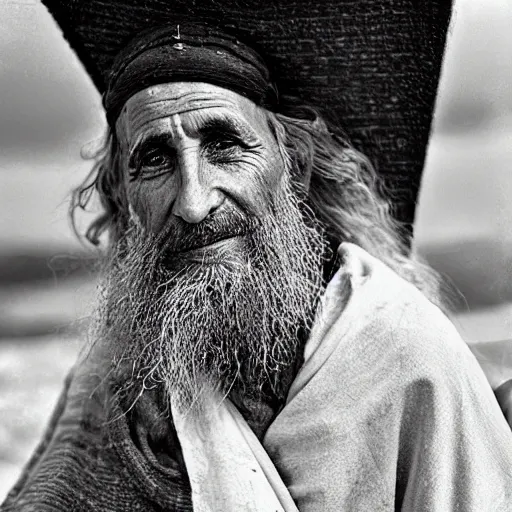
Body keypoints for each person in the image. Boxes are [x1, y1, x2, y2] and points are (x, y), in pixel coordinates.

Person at [3, 8, 512, 512]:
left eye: (224, 144)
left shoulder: (407, 357)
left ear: (293, 165)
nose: (194, 202)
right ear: (124, 198)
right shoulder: (117, 379)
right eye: (155, 159)